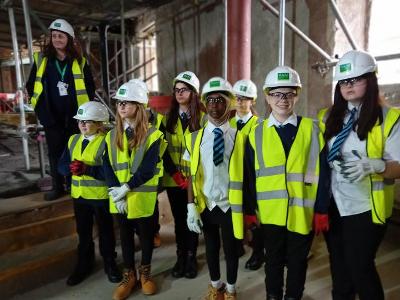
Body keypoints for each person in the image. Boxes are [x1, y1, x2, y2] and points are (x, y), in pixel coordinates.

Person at [318, 50, 400, 300]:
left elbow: (399, 165)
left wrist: (376, 166)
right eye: (344, 82)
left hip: (366, 208)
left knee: (360, 267)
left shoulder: (389, 118)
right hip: (335, 204)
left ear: (371, 80)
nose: (348, 86)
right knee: (339, 267)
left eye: (355, 80)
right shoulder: (328, 116)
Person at [243, 66, 330, 300]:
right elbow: (250, 177)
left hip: (303, 211)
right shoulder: (255, 133)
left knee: (298, 261)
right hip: (269, 215)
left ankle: (293, 296)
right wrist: (250, 210)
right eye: (276, 94)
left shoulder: (313, 130)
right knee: (272, 261)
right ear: (267, 97)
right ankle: (273, 296)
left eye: (289, 93)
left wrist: (321, 209)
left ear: (297, 95)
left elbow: (322, 174)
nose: (283, 99)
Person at [103, 79, 165, 300]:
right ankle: (129, 275)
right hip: (118, 198)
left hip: (141, 197)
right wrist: (115, 191)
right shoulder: (110, 136)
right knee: (125, 237)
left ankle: (145, 273)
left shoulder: (153, 135)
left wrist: (126, 188)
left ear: (139, 107)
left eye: (128, 102)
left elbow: (148, 169)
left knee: (146, 236)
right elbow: (108, 166)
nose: (121, 106)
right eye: (119, 102)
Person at [184, 77, 245, 300]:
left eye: (220, 100)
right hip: (207, 203)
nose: (214, 105)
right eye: (210, 100)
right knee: (210, 247)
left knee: (231, 249)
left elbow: (246, 175)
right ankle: (215, 285)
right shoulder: (193, 139)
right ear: (204, 104)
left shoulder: (240, 137)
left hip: (230, 205)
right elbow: (190, 175)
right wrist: (190, 205)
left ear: (229, 103)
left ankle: (230, 289)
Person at [26, 19, 95, 201]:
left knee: (75, 152)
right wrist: (41, 112)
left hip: (76, 118)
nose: (57, 39)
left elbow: (90, 88)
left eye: (61, 36)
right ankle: (58, 187)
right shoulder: (42, 60)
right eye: (54, 36)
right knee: (55, 153)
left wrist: (86, 115)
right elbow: (31, 85)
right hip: (51, 117)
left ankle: (73, 185)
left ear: (69, 39)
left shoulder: (80, 62)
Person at [58, 101, 121, 286]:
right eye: (80, 121)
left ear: (100, 124)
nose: (83, 125)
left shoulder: (108, 142)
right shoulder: (73, 140)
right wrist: (68, 168)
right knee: (83, 233)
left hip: (99, 197)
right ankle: (84, 264)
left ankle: (110, 263)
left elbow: (111, 173)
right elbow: (61, 164)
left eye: (88, 121)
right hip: (80, 197)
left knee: (106, 232)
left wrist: (88, 169)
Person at [161, 71, 206, 279]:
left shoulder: (203, 119)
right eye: (177, 90)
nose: (180, 93)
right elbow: (162, 150)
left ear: (193, 93)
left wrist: (190, 176)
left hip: (195, 180)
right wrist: (174, 173)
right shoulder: (166, 120)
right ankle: (180, 257)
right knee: (179, 221)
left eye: (184, 89)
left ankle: (191, 257)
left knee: (193, 220)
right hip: (174, 180)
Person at [230, 79, 264, 271]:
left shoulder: (261, 125)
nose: (241, 102)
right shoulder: (228, 124)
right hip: (234, 180)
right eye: (237, 98)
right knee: (234, 215)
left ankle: (258, 252)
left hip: (254, 180)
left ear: (253, 101)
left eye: (245, 99)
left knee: (255, 219)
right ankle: (237, 246)